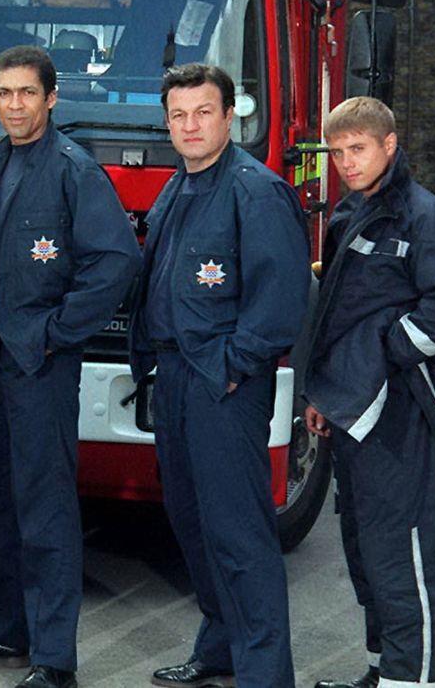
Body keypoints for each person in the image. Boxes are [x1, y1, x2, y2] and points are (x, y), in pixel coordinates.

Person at [0, 46, 138, 688]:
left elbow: (115, 262)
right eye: (5, 93)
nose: (16, 105)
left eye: (28, 93)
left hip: (41, 366)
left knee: (47, 508)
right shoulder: (1, 159)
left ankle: (54, 658)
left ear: (52, 98)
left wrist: (57, 332)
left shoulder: (72, 169)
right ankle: (7, 628)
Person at [128, 63, 307, 688]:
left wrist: (234, 368)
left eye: (203, 112)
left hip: (222, 385)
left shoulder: (255, 191)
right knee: (192, 522)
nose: (189, 125)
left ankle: (264, 674)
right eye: (178, 115)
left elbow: (282, 299)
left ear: (231, 117)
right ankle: (221, 647)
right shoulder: (178, 186)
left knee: (239, 534)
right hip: (177, 377)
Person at [304, 96, 435, 688]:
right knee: (365, 547)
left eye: (357, 149)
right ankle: (382, 666)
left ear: (390, 144)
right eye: (337, 152)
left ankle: (419, 678)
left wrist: (391, 355)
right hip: (352, 409)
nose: (346, 162)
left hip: (400, 411)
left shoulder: (424, 215)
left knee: (405, 548)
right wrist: (326, 394)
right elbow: (337, 319)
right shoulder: (347, 214)